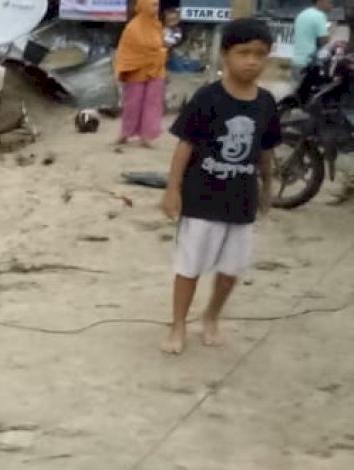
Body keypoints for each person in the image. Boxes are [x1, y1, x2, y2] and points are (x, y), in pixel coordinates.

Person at [159, 18, 281, 354]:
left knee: (231, 271)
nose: (252, 61)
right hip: (201, 199)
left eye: (260, 54)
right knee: (189, 267)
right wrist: (172, 189)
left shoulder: (266, 103)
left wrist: (267, 188)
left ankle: (211, 315)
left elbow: (265, 152)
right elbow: (184, 146)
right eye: (244, 52)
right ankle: (178, 324)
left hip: (241, 201)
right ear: (226, 55)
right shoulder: (208, 97)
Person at [114, 0, 168, 148]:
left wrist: (160, 54)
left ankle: (147, 137)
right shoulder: (132, 27)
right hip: (136, 70)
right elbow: (126, 50)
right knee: (132, 103)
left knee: (153, 103)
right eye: (153, 5)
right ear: (143, 5)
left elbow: (159, 45)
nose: (156, 8)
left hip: (156, 70)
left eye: (157, 5)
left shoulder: (157, 25)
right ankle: (125, 133)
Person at [291, 0, 333, 79]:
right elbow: (323, 40)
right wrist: (331, 33)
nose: (331, 6)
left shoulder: (302, 14)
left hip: (296, 62)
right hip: (310, 64)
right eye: (329, 2)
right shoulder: (319, 16)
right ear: (320, 1)